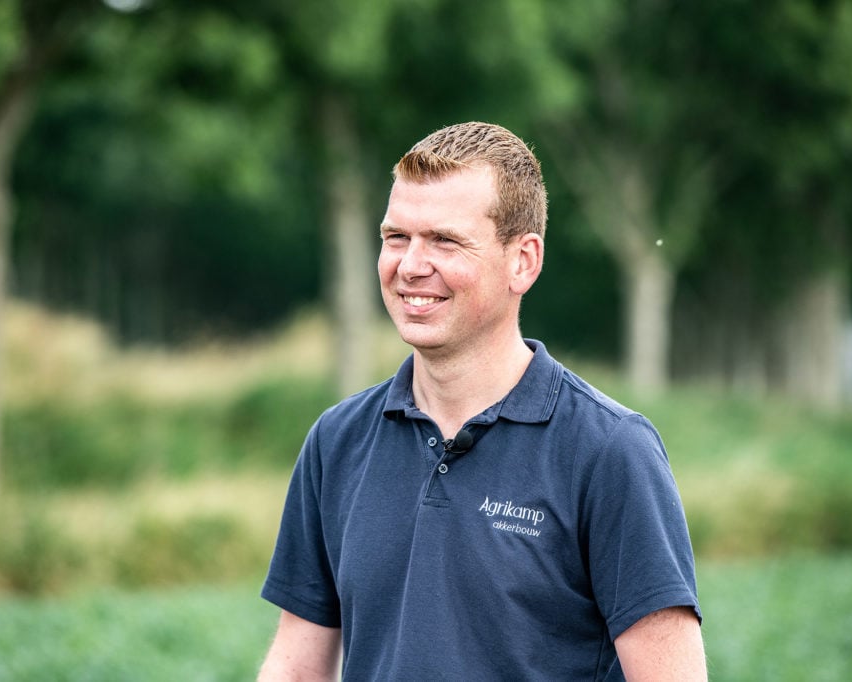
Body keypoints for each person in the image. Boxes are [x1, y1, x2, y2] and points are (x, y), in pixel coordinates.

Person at [258, 122, 705, 681]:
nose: (411, 264)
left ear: (524, 261)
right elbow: (297, 669)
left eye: (444, 240)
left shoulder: (610, 451)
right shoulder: (337, 440)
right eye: (396, 237)